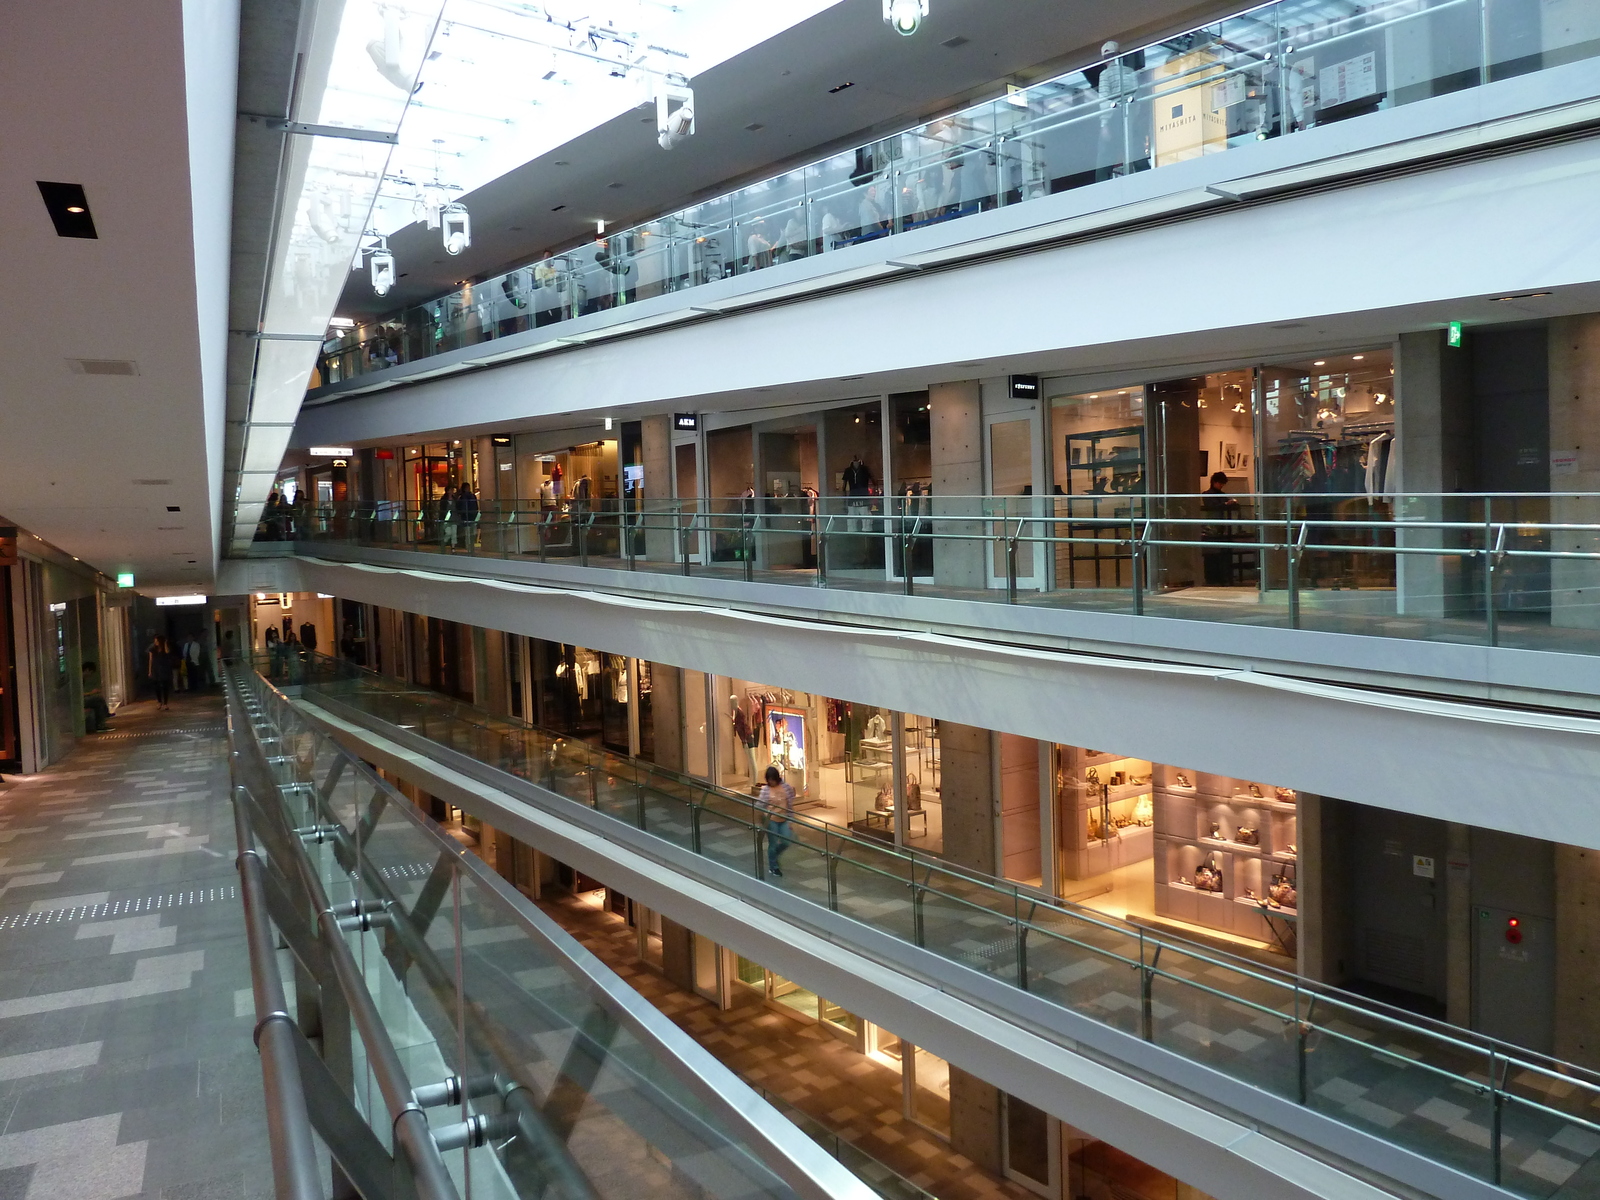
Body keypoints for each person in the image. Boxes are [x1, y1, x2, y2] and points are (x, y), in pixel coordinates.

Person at [1201, 471, 1240, 587]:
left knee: (1222, 553)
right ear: (1214, 482)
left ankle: (1223, 576)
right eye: (1220, 483)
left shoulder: (1222, 495)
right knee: (1212, 554)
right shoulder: (1207, 494)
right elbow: (1212, 507)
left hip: (1221, 527)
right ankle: (1212, 577)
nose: (1221, 486)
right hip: (1212, 527)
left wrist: (1230, 503)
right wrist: (1226, 504)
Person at [757, 765, 796, 877]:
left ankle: (774, 856)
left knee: (786, 841)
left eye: (772, 779)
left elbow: (790, 803)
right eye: (769, 780)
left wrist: (790, 820)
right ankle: (774, 867)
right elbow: (760, 804)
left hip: (783, 818)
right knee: (773, 843)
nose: (771, 782)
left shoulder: (785, 787)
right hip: (771, 820)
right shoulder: (766, 790)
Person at [81, 661, 110, 732]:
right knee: (98, 700)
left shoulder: (82, 679)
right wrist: (91, 693)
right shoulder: (79, 679)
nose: (90, 675)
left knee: (99, 702)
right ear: (87, 670)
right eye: (91, 672)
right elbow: (79, 695)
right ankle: (103, 719)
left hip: (81, 700)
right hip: (79, 701)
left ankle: (102, 720)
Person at [148, 637, 174, 710]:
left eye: (157, 641)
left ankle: (165, 703)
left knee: (165, 686)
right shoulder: (152, 649)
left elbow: (168, 652)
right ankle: (159, 701)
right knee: (157, 686)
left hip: (164, 669)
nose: (155, 642)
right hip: (155, 669)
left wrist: (165, 643)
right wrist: (149, 671)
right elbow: (150, 660)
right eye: (155, 641)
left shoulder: (164, 649)